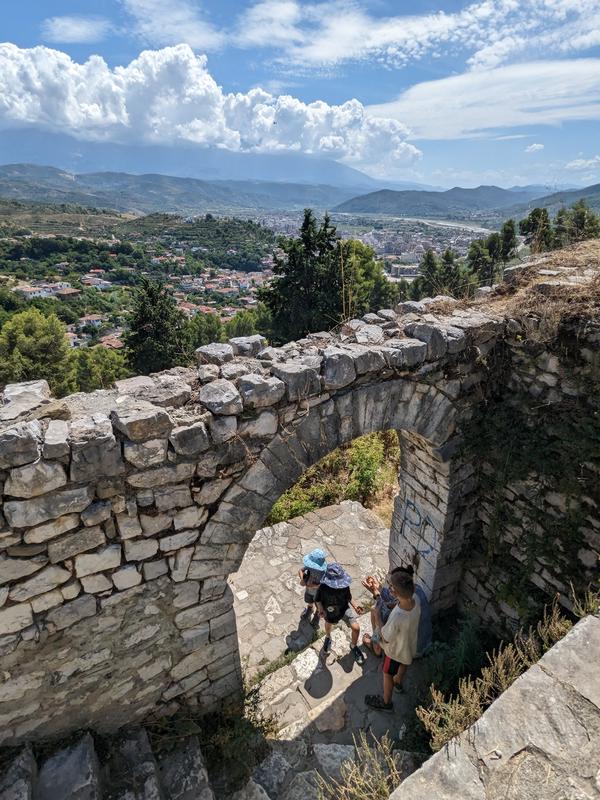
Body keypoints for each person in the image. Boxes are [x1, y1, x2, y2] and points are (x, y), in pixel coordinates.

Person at [365, 569, 421, 712]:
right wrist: (390, 604)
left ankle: (386, 702)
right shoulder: (415, 599)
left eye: (390, 586)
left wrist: (377, 617)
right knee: (405, 662)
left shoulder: (397, 618)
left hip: (394, 651)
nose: (389, 588)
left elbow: (386, 637)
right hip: (408, 646)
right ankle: (398, 683)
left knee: (387, 672)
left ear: (395, 592)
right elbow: (400, 604)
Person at [314, 562, 366, 665]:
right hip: (329, 612)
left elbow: (349, 597)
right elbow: (318, 600)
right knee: (328, 625)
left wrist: (355, 606)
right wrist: (320, 609)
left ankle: (353, 646)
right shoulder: (323, 588)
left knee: (356, 628)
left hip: (344, 609)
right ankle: (328, 637)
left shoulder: (344, 586)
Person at [361, 574, 398, 657]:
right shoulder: (407, 599)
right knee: (375, 609)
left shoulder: (398, 607)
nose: (389, 588)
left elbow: (383, 605)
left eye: (391, 586)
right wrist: (376, 589)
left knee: (376, 612)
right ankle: (375, 637)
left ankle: (375, 646)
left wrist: (375, 590)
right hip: (416, 644)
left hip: (397, 647)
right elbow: (387, 602)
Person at [298, 548, 328, 627]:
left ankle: (317, 615)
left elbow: (325, 584)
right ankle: (310, 609)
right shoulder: (310, 567)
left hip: (319, 594)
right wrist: (302, 579)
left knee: (318, 605)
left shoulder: (324, 571)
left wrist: (313, 585)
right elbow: (301, 570)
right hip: (309, 590)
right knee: (309, 600)